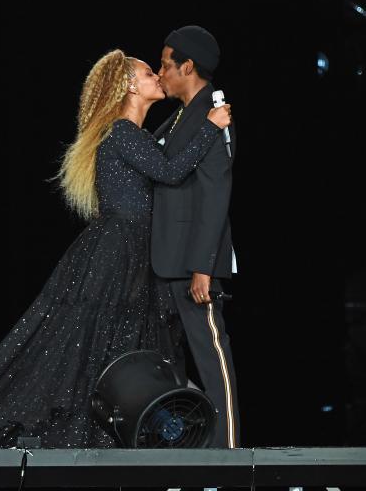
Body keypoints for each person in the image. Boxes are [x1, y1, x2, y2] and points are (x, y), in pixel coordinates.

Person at [0, 48, 231, 448]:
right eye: (146, 72)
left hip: (132, 252)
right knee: (93, 344)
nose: (157, 75)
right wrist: (210, 125)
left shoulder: (134, 135)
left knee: (119, 345)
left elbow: (165, 157)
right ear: (129, 86)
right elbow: (171, 172)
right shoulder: (122, 132)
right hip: (116, 252)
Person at [151, 25, 241, 449]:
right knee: (169, 363)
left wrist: (203, 266)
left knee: (210, 356)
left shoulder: (214, 111)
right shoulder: (184, 114)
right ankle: (189, 446)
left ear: (188, 66)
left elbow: (215, 192)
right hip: (166, 259)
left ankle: (229, 452)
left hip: (193, 263)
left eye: (166, 64)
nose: (161, 71)